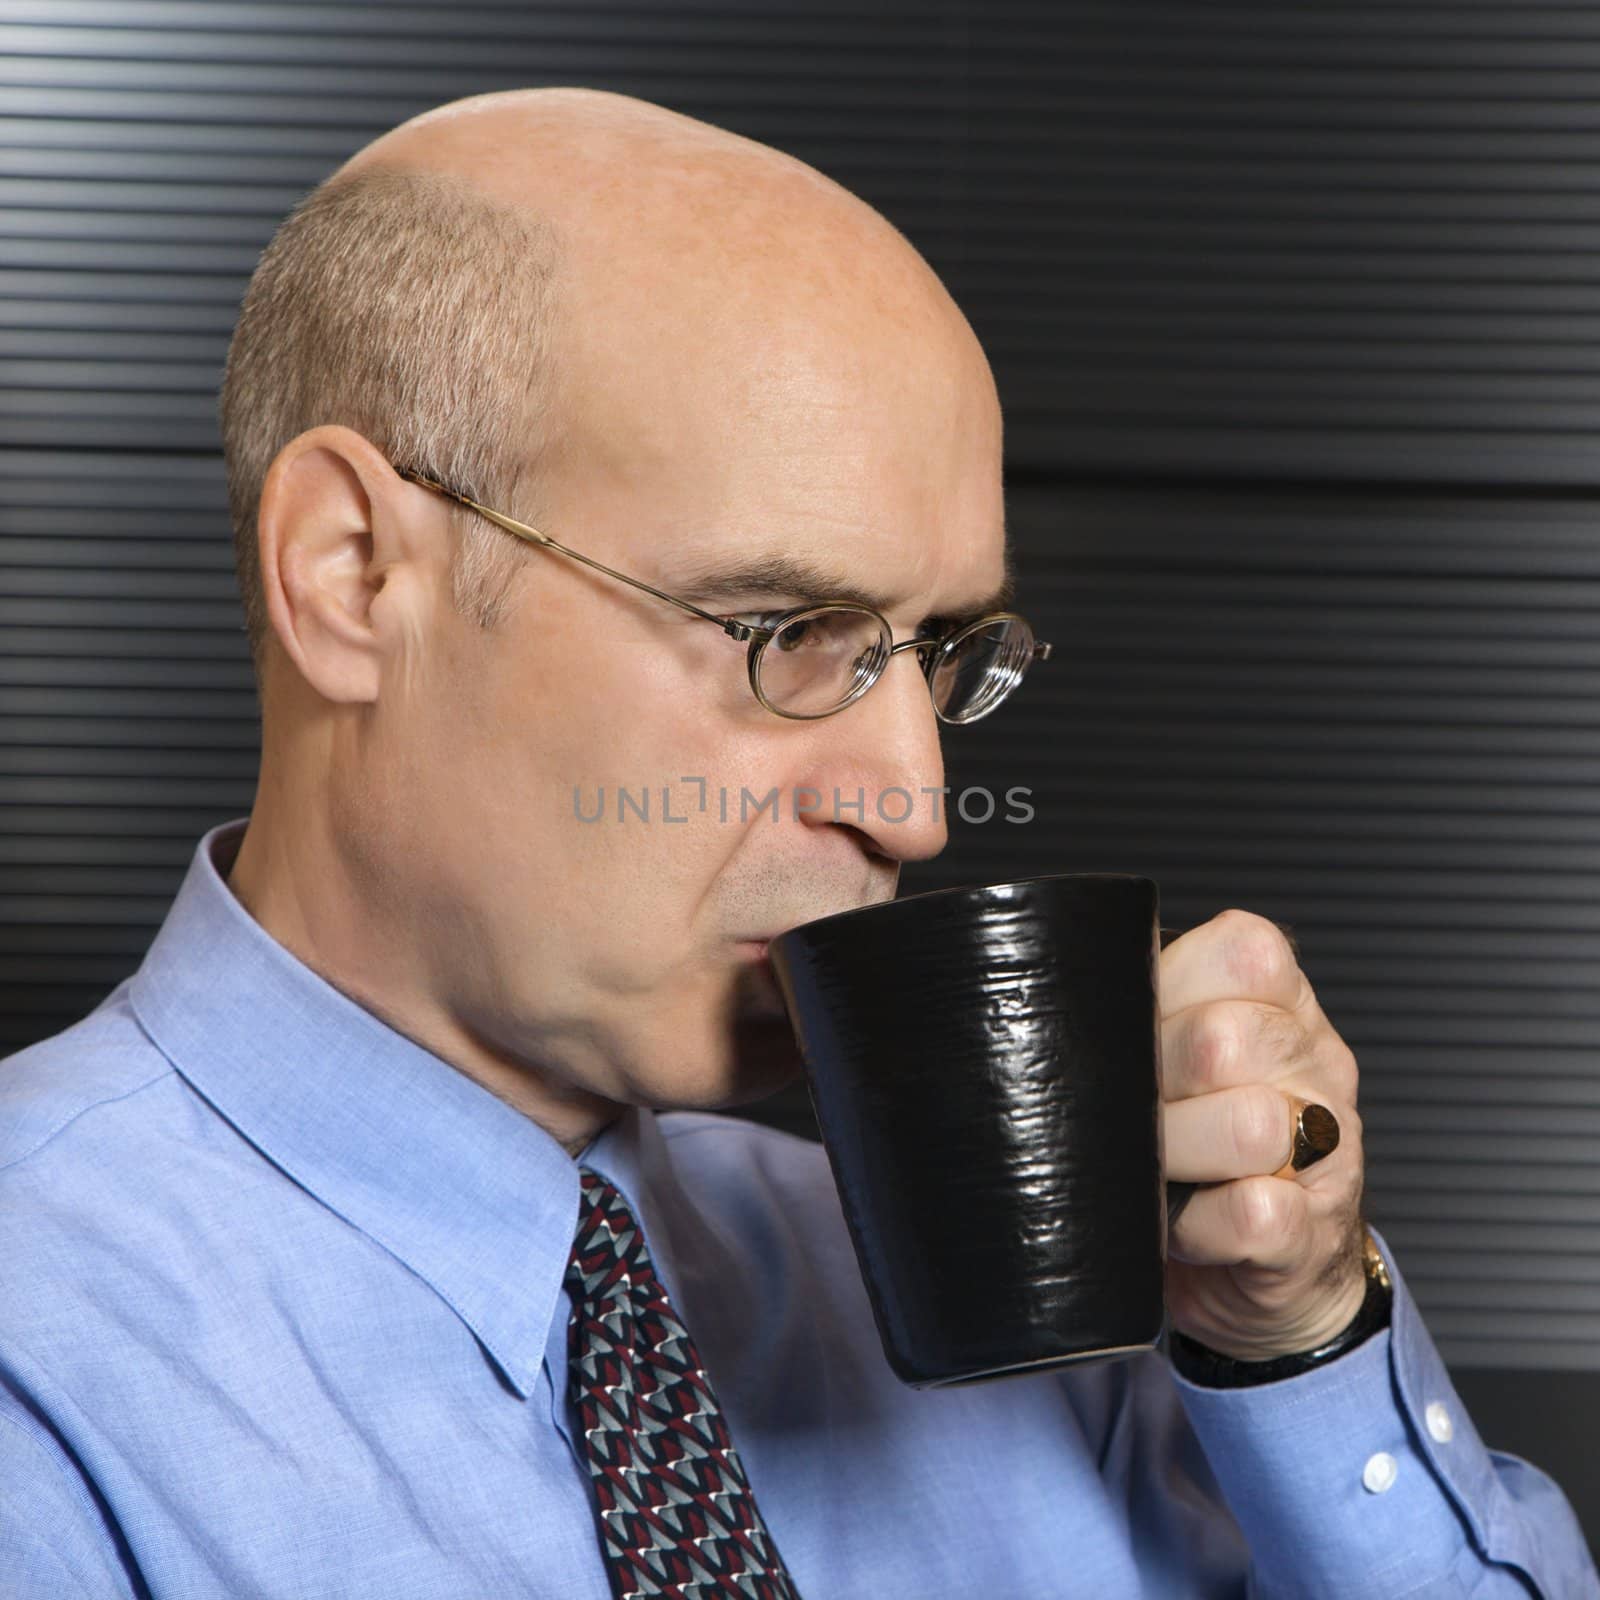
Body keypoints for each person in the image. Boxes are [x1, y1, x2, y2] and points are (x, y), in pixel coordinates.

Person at [0, 86, 1591, 1599]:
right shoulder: (40, 1351)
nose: (911, 806)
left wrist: (1294, 1337)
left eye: (940, 649)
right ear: (353, 576)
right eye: (782, 628)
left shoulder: (981, 1288)